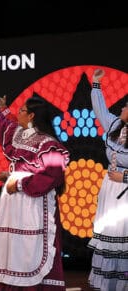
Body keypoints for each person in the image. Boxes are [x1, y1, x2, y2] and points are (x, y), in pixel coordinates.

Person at [0, 72, 68, 290]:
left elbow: (51, 177)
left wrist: (17, 182)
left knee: (31, 251)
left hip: (36, 205)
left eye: (23, 110)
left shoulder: (50, 144)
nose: (18, 112)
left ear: (32, 116)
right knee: (14, 251)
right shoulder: (18, 134)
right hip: (14, 204)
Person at [88, 68, 128, 291]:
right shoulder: (115, 125)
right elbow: (100, 109)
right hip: (110, 192)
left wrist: (125, 175)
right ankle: (109, 284)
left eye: (126, 106)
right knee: (109, 237)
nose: (122, 108)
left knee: (124, 240)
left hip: (125, 193)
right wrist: (96, 85)